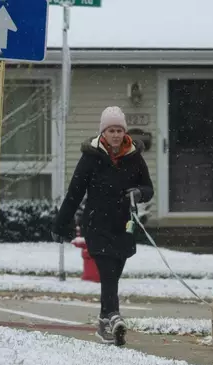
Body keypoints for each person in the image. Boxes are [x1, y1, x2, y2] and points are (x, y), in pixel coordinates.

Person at [51, 106, 154, 346]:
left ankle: (103, 322)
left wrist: (138, 193)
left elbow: (148, 188)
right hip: (97, 223)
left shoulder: (134, 156)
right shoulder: (91, 157)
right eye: (111, 130)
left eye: (119, 130)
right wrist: (61, 222)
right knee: (107, 272)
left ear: (124, 132)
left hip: (123, 225)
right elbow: (74, 193)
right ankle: (114, 317)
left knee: (114, 275)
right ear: (103, 132)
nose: (116, 135)